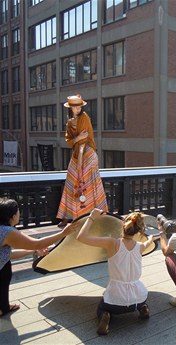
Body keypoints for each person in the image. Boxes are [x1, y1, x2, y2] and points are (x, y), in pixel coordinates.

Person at [76, 209, 154, 335]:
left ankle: (105, 315)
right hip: (137, 299)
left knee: (101, 308)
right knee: (140, 298)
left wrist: (92, 217)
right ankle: (143, 308)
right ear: (138, 230)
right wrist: (150, 238)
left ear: (123, 225)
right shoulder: (140, 246)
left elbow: (81, 237)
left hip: (115, 301)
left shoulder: (112, 243)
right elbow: (148, 242)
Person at [0, 198, 77, 317]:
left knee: (5, 272)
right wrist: (63, 233)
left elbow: (7, 255)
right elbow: (37, 243)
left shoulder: (3, 229)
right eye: (18, 210)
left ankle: (3, 307)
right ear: (11, 216)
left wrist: (34, 250)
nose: (19, 213)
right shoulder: (7, 231)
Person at [57, 94, 108, 228]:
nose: (77, 109)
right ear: (71, 108)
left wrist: (78, 139)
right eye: (75, 107)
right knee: (71, 183)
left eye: (79, 106)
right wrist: (78, 138)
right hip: (76, 154)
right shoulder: (69, 122)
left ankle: (91, 215)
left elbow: (85, 137)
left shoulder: (85, 117)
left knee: (88, 183)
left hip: (88, 153)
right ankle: (69, 215)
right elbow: (69, 141)